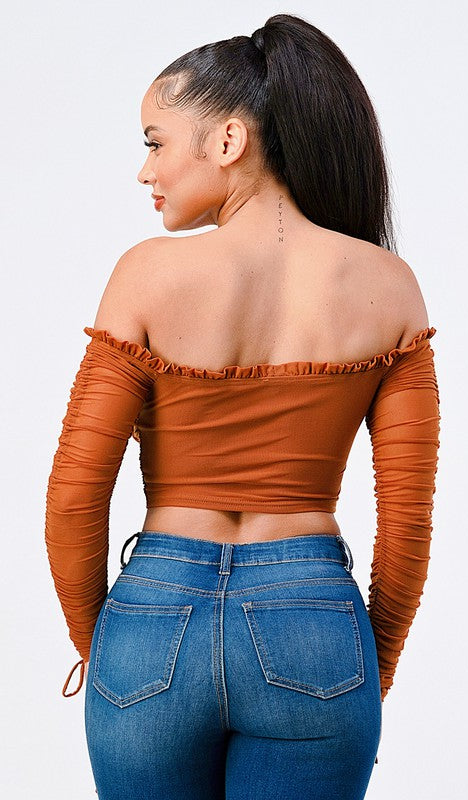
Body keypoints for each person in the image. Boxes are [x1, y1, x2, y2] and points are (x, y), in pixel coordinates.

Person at [44, 13, 440, 800]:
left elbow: (73, 495)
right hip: (315, 627)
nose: (146, 170)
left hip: (152, 621)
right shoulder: (388, 287)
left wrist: (109, 647)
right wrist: (371, 667)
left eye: (156, 142)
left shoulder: (146, 276)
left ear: (228, 140)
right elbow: (407, 524)